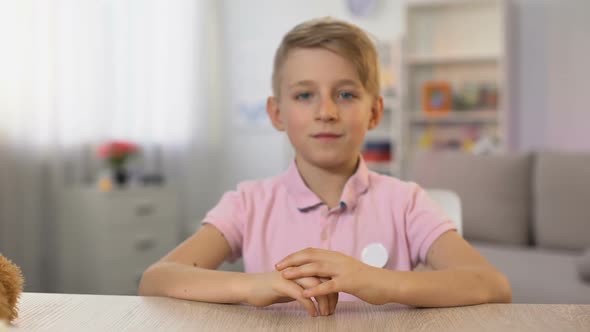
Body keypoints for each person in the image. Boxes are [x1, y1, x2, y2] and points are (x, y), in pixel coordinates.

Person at [139, 17, 512, 317]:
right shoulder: (247, 204)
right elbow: (157, 279)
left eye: (346, 94)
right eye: (305, 95)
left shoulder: (407, 203)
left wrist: (380, 283)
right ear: (277, 113)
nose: (326, 112)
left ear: (375, 111)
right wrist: (250, 287)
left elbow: (491, 285)